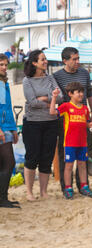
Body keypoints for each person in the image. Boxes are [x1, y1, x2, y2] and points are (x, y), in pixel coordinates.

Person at [53, 47, 92, 195]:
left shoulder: (84, 73)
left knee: (83, 156)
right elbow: (57, 99)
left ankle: (84, 186)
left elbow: (90, 93)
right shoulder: (57, 76)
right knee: (65, 158)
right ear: (65, 60)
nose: (78, 62)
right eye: (74, 59)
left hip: (83, 115)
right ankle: (67, 187)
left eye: (78, 58)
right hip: (67, 119)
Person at [22, 49, 62, 201]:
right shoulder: (27, 81)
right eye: (42, 59)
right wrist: (50, 99)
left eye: (45, 59)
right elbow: (32, 102)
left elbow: (61, 97)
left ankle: (43, 192)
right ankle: (29, 192)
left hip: (51, 123)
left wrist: (44, 98)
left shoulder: (50, 78)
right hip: (32, 123)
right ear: (34, 63)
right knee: (32, 157)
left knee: (47, 157)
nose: (45, 61)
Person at [50, 82, 92, 199]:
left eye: (82, 92)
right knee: (68, 166)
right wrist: (54, 97)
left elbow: (84, 123)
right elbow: (52, 112)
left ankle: (84, 186)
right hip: (70, 143)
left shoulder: (85, 109)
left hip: (82, 143)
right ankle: (68, 188)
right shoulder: (66, 106)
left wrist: (90, 124)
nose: (81, 94)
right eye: (78, 92)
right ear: (70, 94)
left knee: (82, 165)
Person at [0, 53, 20, 209]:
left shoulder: (4, 83)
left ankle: (3, 197)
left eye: (6, 65)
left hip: (7, 127)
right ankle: (2, 199)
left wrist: (13, 129)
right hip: (1, 129)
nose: (4, 67)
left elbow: (7, 107)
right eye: (1, 65)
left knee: (4, 163)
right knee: (9, 162)